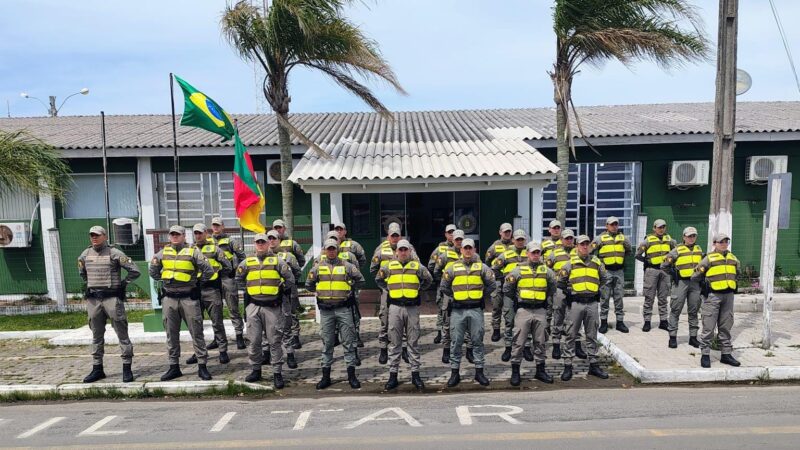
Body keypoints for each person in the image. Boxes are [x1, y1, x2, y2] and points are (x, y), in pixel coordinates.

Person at [149, 225, 215, 381]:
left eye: (177, 234)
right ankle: (174, 367)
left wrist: (197, 282)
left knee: (196, 332)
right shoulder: (163, 252)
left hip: (188, 298)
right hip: (169, 298)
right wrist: (165, 281)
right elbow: (153, 270)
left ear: (184, 236)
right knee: (171, 334)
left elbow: (209, 270)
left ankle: (202, 366)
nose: (174, 237)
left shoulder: (193, 252)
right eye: (172, 234)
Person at [77, 226, 140, 383]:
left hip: (112, 299)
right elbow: (82, 274)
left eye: (97, 235)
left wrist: (123, 283)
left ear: (105, 236)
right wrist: (91, 286)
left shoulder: (115, 253)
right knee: (96, 336)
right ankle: (97, 369)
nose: (94, 238)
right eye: (92, 235)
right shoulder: (85, 254)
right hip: (93, 301)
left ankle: (126, 368)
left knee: (122, 334)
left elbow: (135, 270)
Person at [236, 233, 295, 388]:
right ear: (254, 244)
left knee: (274, 341)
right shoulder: (247, 262)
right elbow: (238, 279)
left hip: (272, 307)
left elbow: (290, 279)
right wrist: (249, 290)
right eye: (258, 242)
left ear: (268, 243)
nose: (260, 245)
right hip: (253, 306)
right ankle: (256, 370)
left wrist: (279, 291)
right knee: (254, 340)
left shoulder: (277, 261)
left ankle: (277, 373)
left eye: (263, 242)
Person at [306, 239, 366, 389]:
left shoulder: (347, 266)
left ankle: (351, 376)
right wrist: (319, 292)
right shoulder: (318, 268)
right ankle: (326, 377)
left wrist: (350, 288)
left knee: (348, 342)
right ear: (325, 250)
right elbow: (309, 284)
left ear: (337, 250)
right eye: (328, 249)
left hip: (343, 309)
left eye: (333, 249)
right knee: (327, 343)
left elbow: (360, 280)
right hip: (326, 311)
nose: (331, 251)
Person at [375, 239, 433, 390]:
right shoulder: (389, 266)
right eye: (400, 250)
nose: (402, 252)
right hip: (395, 307)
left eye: (405, 250)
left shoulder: (417, 267)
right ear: (396, 252)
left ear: (409, 251)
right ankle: (393, 375)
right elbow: (378, 279)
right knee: (394, 342)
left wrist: (418, 289)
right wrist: (388, 289)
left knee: (413, 341)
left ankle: (415, 375)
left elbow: (428, 280)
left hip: (412, 308)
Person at [440, 238, 496, 387]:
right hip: (458, 311)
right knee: (456, 342)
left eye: (470, 248)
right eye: (465, 248)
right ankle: (454, 373)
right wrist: (455, 297)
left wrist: (481, 294)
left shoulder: (482, 267)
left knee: (477, 341)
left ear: (474, 249)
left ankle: (479, 372)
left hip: (476, 309)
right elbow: (444, 286)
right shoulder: (452, 268)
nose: (468, 251)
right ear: (461, 250)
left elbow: (492, 284)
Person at [503, 241, 557, 385]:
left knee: (540, 341)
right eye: (532, 252)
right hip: (523, 310)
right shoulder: (518, 270)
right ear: (527, 253)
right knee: (519, 342)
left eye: (537, 252)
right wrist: (517, 300)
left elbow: (552, 288)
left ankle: (540, 370)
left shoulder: (547, 271)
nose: (535, 255)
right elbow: (507, 288)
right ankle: (515, 372)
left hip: (540, 310)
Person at [557, 234, 610, 381]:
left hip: (592, 303)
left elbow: (605, 278)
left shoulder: (596, 262)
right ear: (577, 246)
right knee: (571, 334)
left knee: (592, 334)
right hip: (576, 304)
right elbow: (560, 282)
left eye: (587, 244)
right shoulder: (570, 264)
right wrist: (570, 293)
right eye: (582, 244)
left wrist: (596, 290)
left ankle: (593, 364)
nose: (585, 246)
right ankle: (568, 365)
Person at [370, 222, 418, 364]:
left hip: (405, 291)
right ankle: (383, 348)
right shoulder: (380, 250)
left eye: (397, 236)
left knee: (404, 320)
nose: (395, 238)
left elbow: (417, 266)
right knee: (385, 318)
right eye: (393, 236)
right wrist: (383, 287)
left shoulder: (409, 249)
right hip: (388, 291)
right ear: (388, 237)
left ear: (400, 236)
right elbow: (374, 270)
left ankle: (404, 349)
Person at [692, 233, 741, 368]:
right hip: (713, 296)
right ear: (714, 244)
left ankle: (726, 354)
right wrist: (704, 285)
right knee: (708, 326)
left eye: (726, 242)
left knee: (726, 326)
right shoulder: (708, 259)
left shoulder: (733, 259)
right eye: (721, 242)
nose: (724, 244)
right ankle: (705, 355)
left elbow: (738, 273)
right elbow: (695, 275)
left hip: (728, 296)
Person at [185, 224, 232, 366]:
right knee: (195, 324)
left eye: (200, 233)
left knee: (217, 322)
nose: (198, 236)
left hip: (212, 291)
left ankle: (223, 350)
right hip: (195, 291)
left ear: (206, 233)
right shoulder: (189, 250)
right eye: (196, 233)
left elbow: (228, 266)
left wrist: (217, 276)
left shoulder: (214, 249)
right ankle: (198, 351)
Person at [491, 229, 533, 362]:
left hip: (526, 293)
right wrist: (503, 280)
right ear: (513, 240)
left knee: (527, 321)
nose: (520, 242)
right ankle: (508, 347)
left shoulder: (530, 254)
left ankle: (526, 347)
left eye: (522, 239)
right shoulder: (505, 254)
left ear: (525, 240)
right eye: (518, 239)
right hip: (509, 293)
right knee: (509, 320)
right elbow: (494, 269)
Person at [433, 229, 471, 364]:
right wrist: (446, 286)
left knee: (468, 323)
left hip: (466, 296)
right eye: (457, 240)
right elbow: (436, 271)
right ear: (453, 240)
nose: (460, 242)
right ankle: (446, 350)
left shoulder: (472, 256)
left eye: (461, 239)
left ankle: (469, 350)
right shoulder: (444, 255)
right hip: (449, 295)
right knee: (447, 323)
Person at [661, 226, 704, 349]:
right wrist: (673, 274)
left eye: (693, 236)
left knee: (694, 311)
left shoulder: (698, 249)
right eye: (689, 236)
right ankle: (673, 337)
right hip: (681, 283)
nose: (691, 238)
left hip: (695, 284)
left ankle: (693, 338)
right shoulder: (677, 250)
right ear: (684, 237)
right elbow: (664, 265)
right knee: (675, 309)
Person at [209, 216, 247, 350]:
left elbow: (242, 257)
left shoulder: (231, 241)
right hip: (213, 280)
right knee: (215, 311)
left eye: (218, 225)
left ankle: (239, 336)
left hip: (227, 278)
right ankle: (217, 338)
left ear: (223, 226)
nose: (216, 228)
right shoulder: (207, 241)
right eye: (214, 225)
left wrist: (236, 271)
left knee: (233, 308)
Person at [546, 228, 583, 359]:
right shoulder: (554, 254)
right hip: (559, 291)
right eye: (566, 238)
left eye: (570, 238)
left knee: (575, 318)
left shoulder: (578, 253)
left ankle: (577, 345)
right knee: (558, 316)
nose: (568, 240)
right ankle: (556, 345)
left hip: (575, 290)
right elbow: (547, 271)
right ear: (561, 240)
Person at [592, 216, 632, 333]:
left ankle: (620, 322)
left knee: (619, 297)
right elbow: (591, 251)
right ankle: (603, 322)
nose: (614, 227)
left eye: (616, 224)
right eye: (611, 224)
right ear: (606, 226)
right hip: (606, 272)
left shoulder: (623, 238)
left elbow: (629, 251)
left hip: (619, 271)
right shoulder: (600, 238)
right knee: (604, 297)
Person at [267, 230, 301, 369]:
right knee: (268, 328)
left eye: (274, 238)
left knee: (287, 325)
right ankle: (267, 354)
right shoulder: (260, 258)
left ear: (279, 240)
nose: (271, 241)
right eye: (268, 238)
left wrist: (287, 287)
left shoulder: (288, 256)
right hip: (267, 299)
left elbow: (297, 272)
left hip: (283, 297)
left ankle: (290, 354)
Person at [636, 219, 677, 332]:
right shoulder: (648, 240)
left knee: (663, 298)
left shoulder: (670, 241)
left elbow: (676, 253)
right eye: (659, 227)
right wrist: (647, 261)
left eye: (663, 227)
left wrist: (671, 263)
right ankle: (647, 321)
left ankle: (663, 321)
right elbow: (637, 254)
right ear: (654, 228)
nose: (661, 229)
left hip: (665, 272)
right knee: (649, 297)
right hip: (652, 271)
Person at [273, 218, 306, 349]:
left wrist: (292, 279)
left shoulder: (292, 244)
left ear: (284, 229)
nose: (278, 230)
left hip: (290, 284)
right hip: (275, 287)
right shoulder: (269, 244)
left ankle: (295, 335)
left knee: (292, 310)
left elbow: (301, 262)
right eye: (275, 228)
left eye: (279, 227)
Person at [335, 222, 368, 348]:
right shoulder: (328, 247)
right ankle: (336, 335)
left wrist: (354, 274)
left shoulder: (353, 246)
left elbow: (362, 260)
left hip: (350, 287)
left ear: (345, 231)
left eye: (341, 229)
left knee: (353, 310)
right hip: (335, 288)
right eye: (336, 229)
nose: (338, 232)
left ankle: (356, 334)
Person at [484, 222, 514, 342]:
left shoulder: (515, 245)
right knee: (496, 306)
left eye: (509, 231)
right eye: (505, 231)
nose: (507, 234)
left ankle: (509, 329)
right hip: (497, 281)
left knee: (509, 307)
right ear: (500, 232)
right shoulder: (494, 246)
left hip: (511, 282)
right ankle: (496, 329)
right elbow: (487, 262)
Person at [428, 223, 457, 345]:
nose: (451, 234)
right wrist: (441, 281)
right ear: (446, 234)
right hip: (443, 285)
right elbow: (431, 265)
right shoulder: (440, 249)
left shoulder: (464, 248)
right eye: (449, 232)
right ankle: (440, 332)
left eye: (453, 232)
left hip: (458, 286)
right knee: (441, 308)